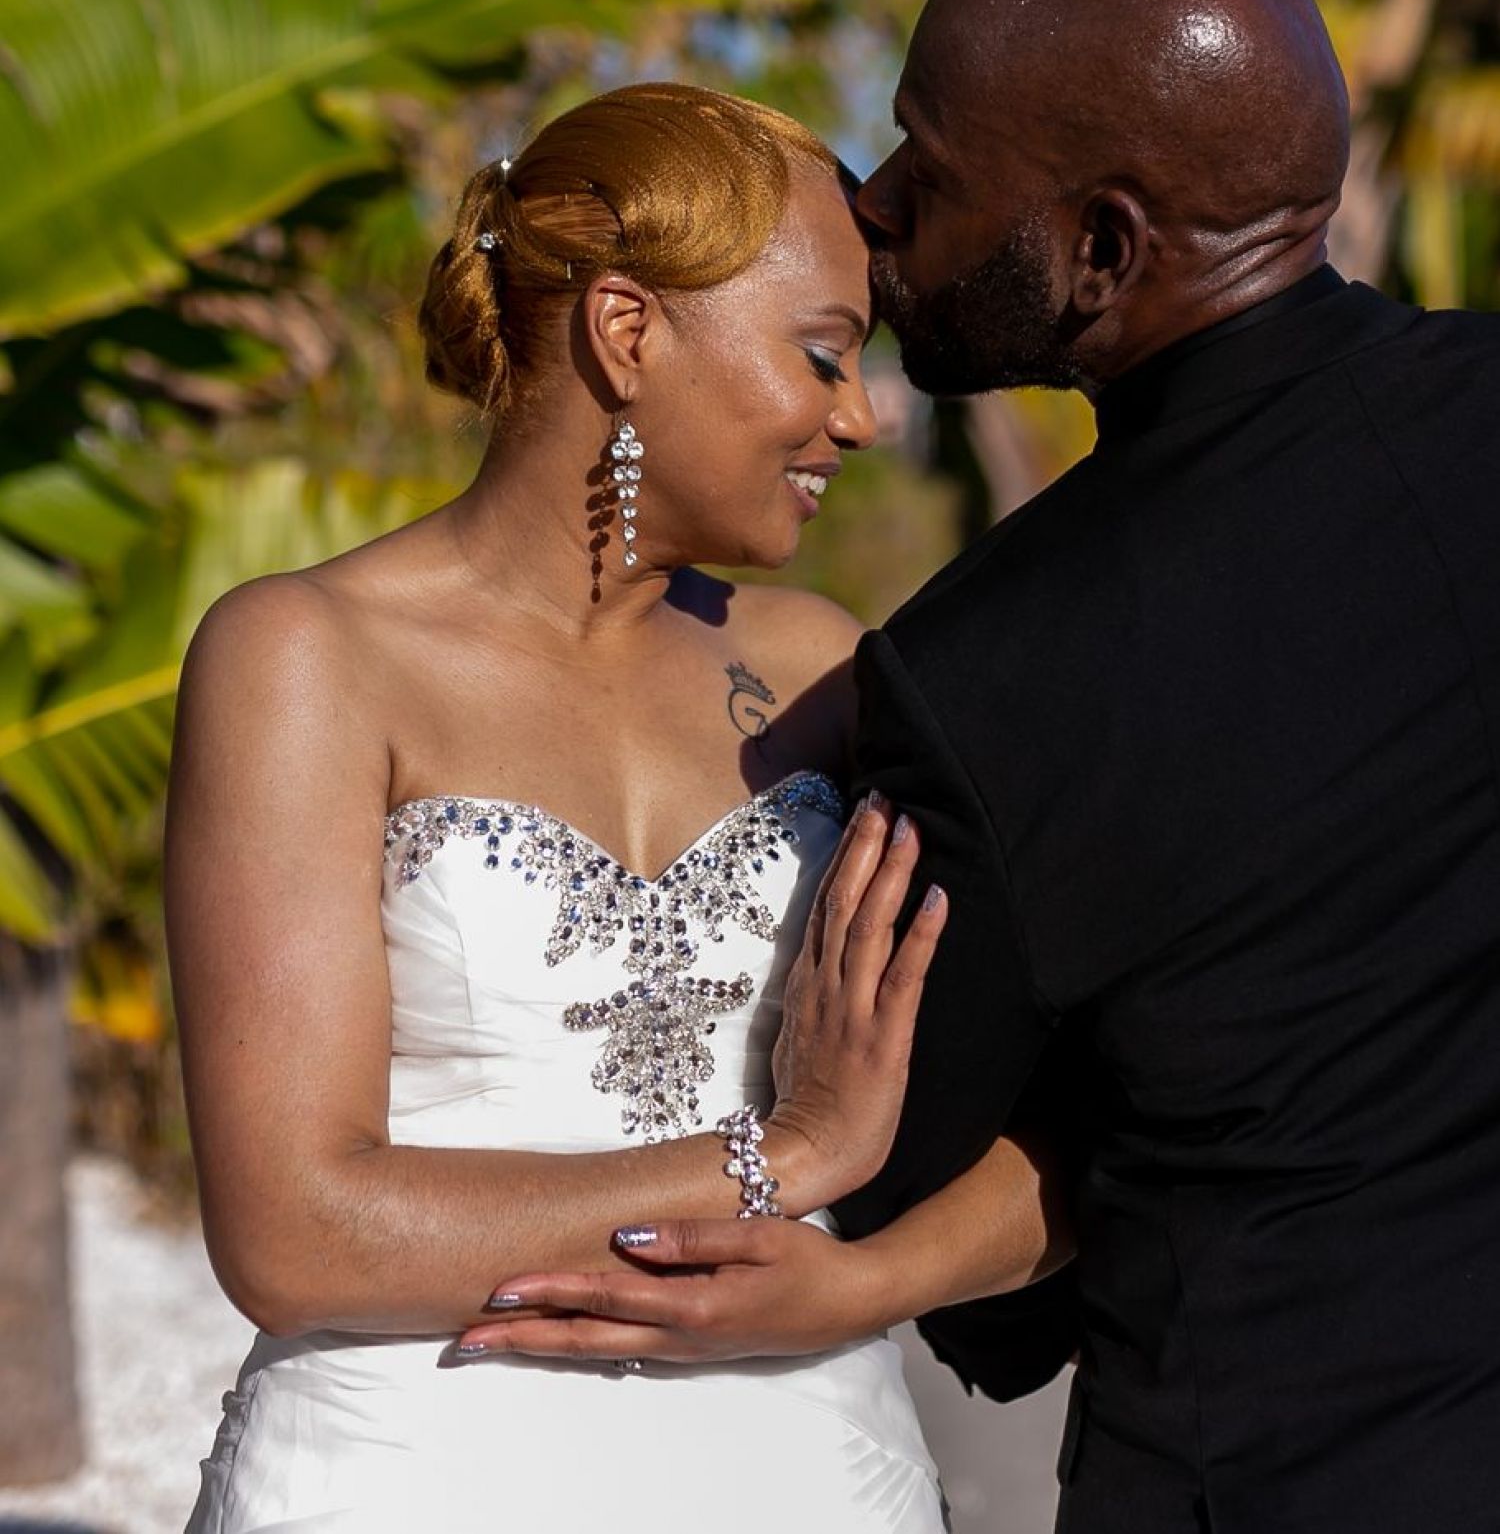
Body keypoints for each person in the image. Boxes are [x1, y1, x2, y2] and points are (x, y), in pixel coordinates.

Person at [460, 0, 1500, 1534]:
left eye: (930, 173)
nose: (873, 206)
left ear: (1104, 244)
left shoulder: (1000, 665)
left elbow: (932, 1205)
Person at [167, 82, 1064, 1534]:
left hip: (811, 1474)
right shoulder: (309, 658)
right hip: (404, 1483)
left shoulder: (827, 674)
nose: (860, 413)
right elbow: (293, 1229)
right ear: (628, 331)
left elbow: (1074, 1116)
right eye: (824, 353)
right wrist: (779, 1160)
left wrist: (868, 1273)